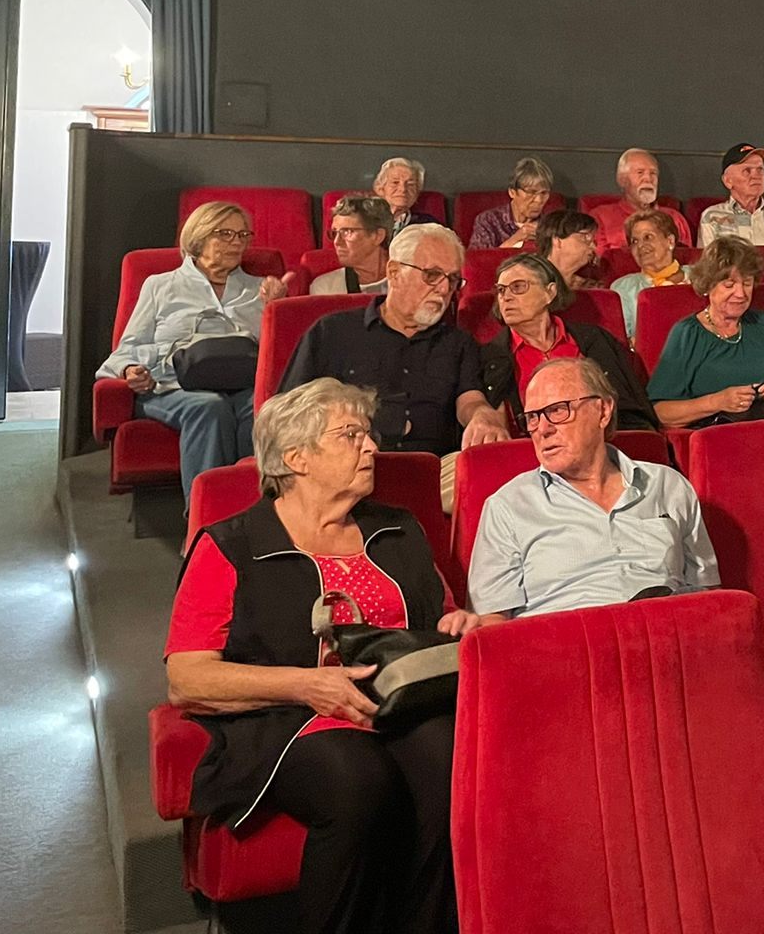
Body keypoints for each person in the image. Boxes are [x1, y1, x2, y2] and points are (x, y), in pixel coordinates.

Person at [166, 379, 474, 934]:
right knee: (357, 781)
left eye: (368, 433)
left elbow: (442, 617)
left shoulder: (398, 527)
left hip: (399, 702)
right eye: (350, 435)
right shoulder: (232, 543)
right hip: (290, 717)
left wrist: (458, 623)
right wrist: (306, 685)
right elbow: (187, 678)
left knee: (451, 763)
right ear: (296, 458)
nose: (371, 446)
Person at [470, 357, 719, 620]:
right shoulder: (508, 507)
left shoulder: (668, 486)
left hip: (664, 630)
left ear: (603, 411)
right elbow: (491, 623)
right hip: (569, 640)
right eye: (532, 417)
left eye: (558, 410)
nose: (542, 429)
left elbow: (708, 594)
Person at [99, 200, 283, 497]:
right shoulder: (160, 286)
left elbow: (278, 353)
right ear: (198, 238)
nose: (237, 243)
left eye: (243, 235)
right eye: (225, 234)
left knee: (263, 409)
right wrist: (131, 370)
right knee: (209, 407)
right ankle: (205, 515)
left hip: (242, 384)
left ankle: (255, 509)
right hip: (172, 385)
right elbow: (127, 348)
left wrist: (277, 307)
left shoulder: (262, 289)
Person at [280, 224, 510, 458]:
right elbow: (289, 413)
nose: (443, 289)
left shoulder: (458, 343)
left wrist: (482, 415)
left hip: (435, 468)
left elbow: (470, 400)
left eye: (452, 280)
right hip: (349, 462)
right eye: (432, 275)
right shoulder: (332, 332)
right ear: (394, 273)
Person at [479, 254, 657, 431]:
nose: (506, 297)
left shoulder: (594, 339)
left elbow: (627, 409)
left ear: (550, 292)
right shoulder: (491, 358)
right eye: (501, 290)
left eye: (518, 287)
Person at [645, 238, 764, 427]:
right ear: (708, 285)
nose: (741, 294)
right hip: (719, 434)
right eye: (729, 285)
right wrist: (716, 402)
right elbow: (662, 412)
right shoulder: (687, 333)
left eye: (747, 283)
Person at [609, 209, 687, 341]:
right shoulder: (623, 287)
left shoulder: (700, 277)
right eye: (634, 241)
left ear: (670, 241)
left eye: (648, 237)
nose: (640, 245)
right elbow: (621, 340)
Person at [697, 142, 764, 245]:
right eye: (747, 171)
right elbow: (708, 256)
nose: (756, 176)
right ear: (728, 181)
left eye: (760, 170)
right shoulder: (713, 217)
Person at [590, 148, 679, 255]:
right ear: (622, 180)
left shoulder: (675, 218)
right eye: (640, 172)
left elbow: (687, 259)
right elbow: (599, 260)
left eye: (653, 173)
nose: (648, 179)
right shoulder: (600, 217)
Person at [312, 194, 394, 296]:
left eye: (347, 232)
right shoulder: (326, 288)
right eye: (334, 233)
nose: (336, 242)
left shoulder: (410, 278)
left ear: (378, 236)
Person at [468, 157, 554, 250]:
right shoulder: (489, 221)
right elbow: (478, 258)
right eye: (531, 192)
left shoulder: (551, 224)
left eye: (544, 193)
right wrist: (515, 239)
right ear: (512, 192)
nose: (539, 200)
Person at [530, 208, 605, 291]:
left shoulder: (592, 287)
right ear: (557, 241)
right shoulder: (530, 282)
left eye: (592, 239)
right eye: (585, 237)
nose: (593, 246)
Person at [372, 157, 437, 233]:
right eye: (395, 182)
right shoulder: (365, 219)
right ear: (380, 189)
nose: (403, 189)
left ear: (417, 191)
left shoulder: (428, 225)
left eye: (410, 184)